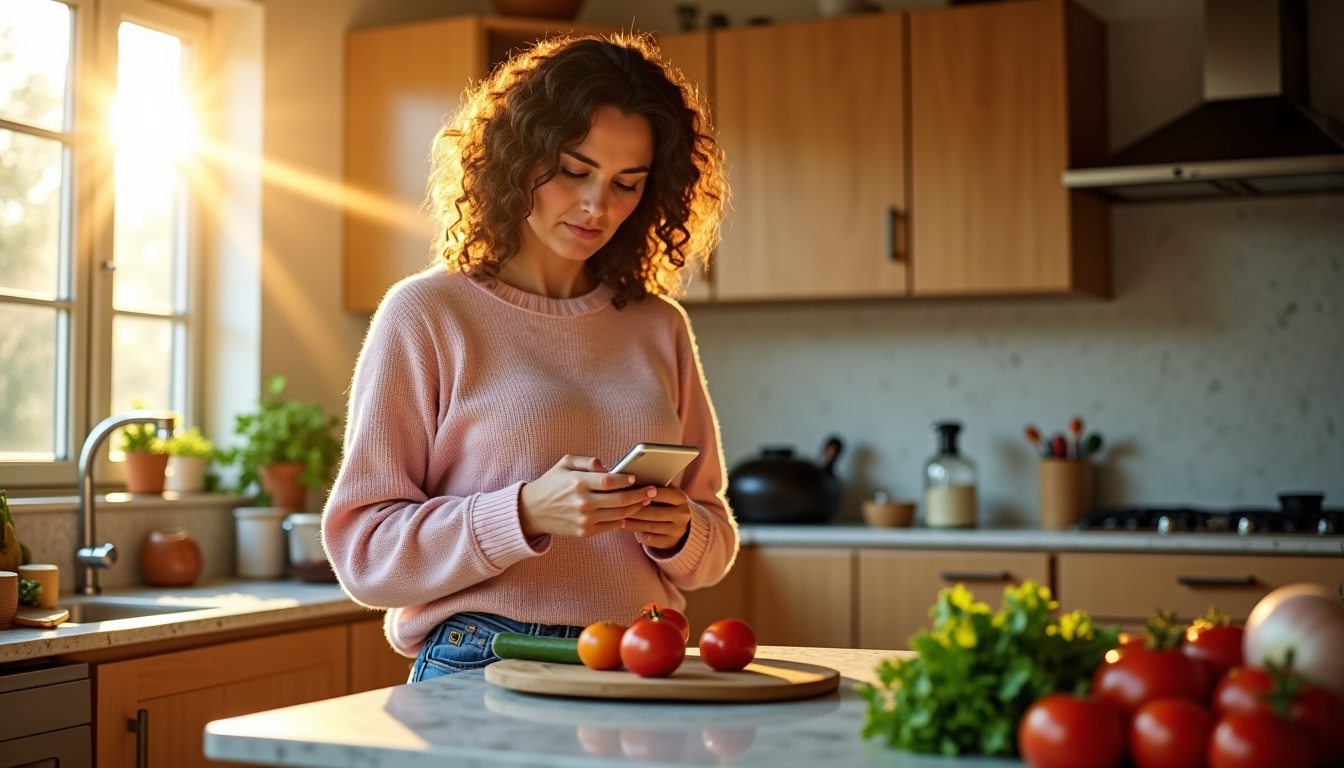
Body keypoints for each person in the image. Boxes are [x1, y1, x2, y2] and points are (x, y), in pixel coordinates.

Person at [322, 34, 737, 683]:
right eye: (575, 171)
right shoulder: (427, 313)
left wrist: (680, 530)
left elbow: (714, 536)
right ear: (518, 159)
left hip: (640, 658)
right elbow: (365, 553)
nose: (598, 206)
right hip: (483, 655)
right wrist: (522, 512)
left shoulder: (660, 326)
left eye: (627, 183)